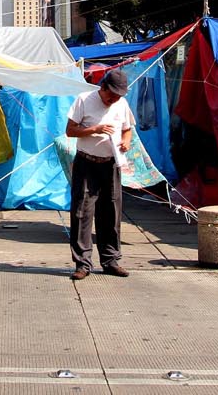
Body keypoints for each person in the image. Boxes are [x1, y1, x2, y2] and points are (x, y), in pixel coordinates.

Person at [65, 66, 135, 280]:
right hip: (87, 163)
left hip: (111, 163)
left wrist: (126, 142)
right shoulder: (84, 100)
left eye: (117, 97)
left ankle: (111, 260)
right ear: (102, 87)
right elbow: (70, 130)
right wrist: (94, 129)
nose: (113, 100)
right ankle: (83, 263)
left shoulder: (121, 104)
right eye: (110, 96)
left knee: (111, 211)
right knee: (82, 212)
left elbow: (127, 128)